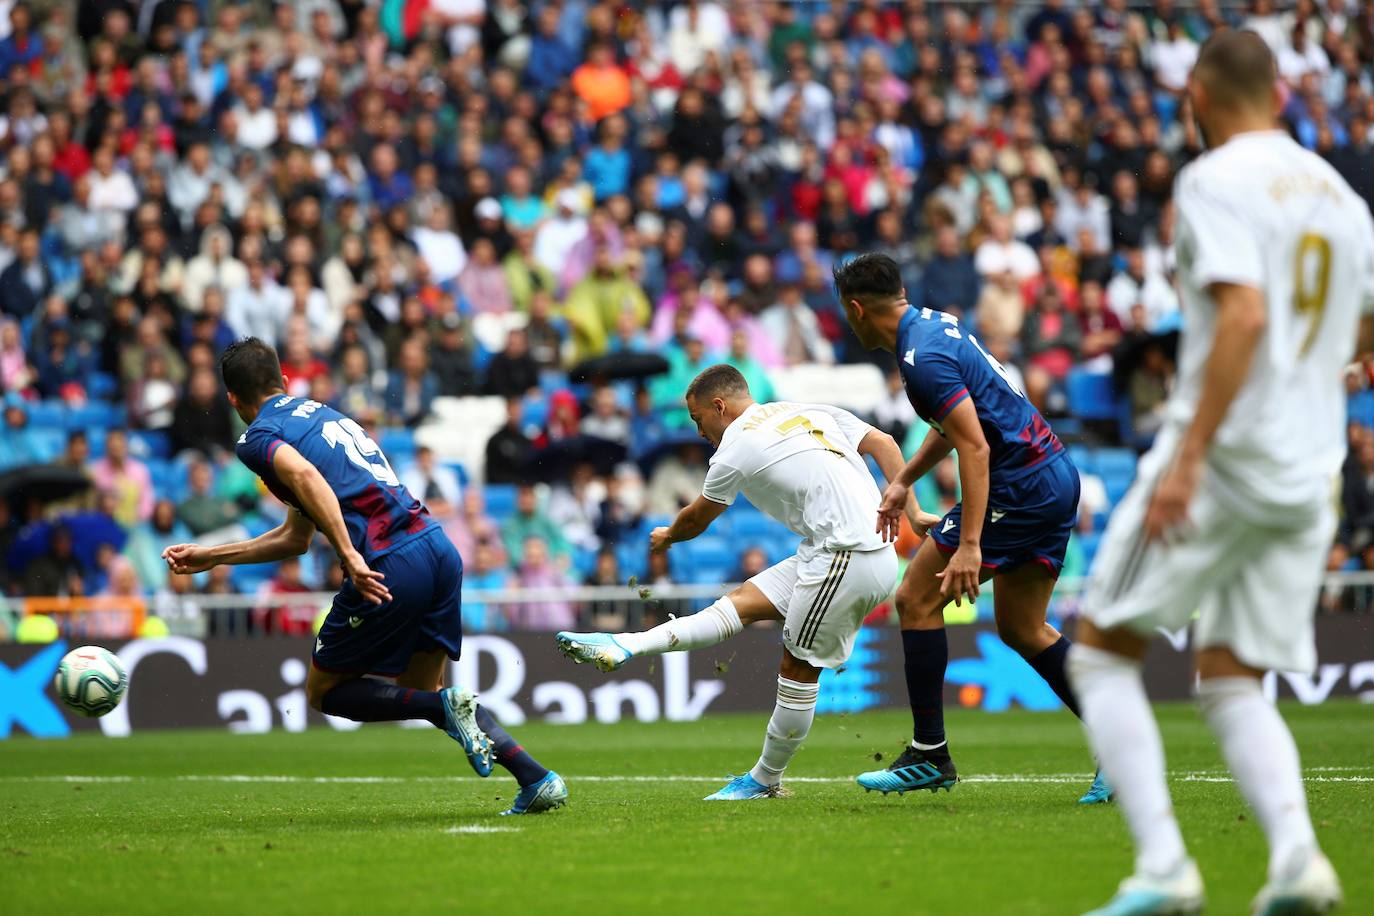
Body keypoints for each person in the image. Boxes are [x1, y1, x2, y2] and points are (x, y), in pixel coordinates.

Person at [1067, 32, 1367, 914]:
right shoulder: (1338, 193)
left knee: (1101, 654)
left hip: (1231, 462)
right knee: (1232, 673)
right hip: (1312, 473)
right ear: (1279, 91)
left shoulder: (1214, 180)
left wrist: (1188, 453)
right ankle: (1297, 861)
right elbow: (1362, 324)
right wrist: (1328, 366)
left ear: (1196, 90)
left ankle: (1164, 867)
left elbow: (1240, 314)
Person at [161, 338, 565, 816]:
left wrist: (350, 554)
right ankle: (537, 778)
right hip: (437, 549)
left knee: (324, 691)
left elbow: (308, 480)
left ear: (232, 399)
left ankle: (455, 715)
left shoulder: (258, 438)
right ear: (284, 381)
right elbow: (296, 537)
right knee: (426, 693)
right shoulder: (325, 415)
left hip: (387, 562)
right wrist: (215, 554)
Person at [557, 365, 931, 800]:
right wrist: (913, 507)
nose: (699, 432)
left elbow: (697, 517)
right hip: (833, 549)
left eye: (698, 420)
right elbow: (883, 442)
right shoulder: (805, 410)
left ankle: (765, 780)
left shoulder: (736, 445)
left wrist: (668, 535)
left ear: (720, 407)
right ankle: (626, 645)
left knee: (798, 667)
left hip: (849, 554)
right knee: (738, 604)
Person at [834, 253, 1106, 804]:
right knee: (1024, 628)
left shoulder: (920, 358)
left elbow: (975, 447)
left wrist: (971, 545)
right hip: (1052, 474)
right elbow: (960, 423)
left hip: (1017, 486)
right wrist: (904, 479)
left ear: (857, 309)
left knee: (914, 597)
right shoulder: (934, 326)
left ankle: (930, 754)